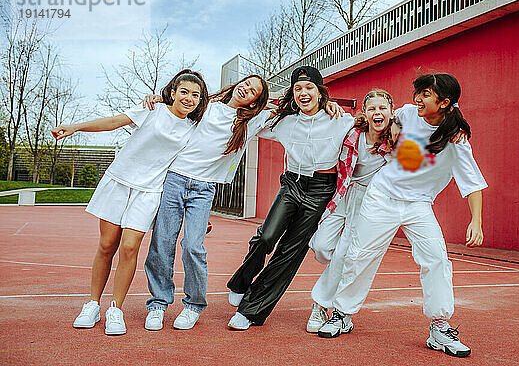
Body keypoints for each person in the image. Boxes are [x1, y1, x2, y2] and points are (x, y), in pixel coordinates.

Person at [317, 73, 486, 359]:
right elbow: (382, 124)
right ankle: (342, 313)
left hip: (418, 205)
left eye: (426, 95)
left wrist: (477, 221)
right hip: (382, 196)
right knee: (360, 254)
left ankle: (440, 327)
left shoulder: (456, 141)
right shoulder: (407, 114)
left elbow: (473, 184)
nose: (417, 99)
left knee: (436, 259)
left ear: (444, 103)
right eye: (418, 92)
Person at [52, 70, 208, 335]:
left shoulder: (194, 128)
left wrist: (202, 212)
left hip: (149, 191)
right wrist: (75, 127)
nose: (189, 98)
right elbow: (113, 122)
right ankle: (92, 304)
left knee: (130, 247)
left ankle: (116, 309)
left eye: (196, 95)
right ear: (172, 92)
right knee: (106, 244)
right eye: (184, 92)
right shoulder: (152, 110)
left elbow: (195, 167)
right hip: (119, 182)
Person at [226, 65, 355, 330]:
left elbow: (377, 123)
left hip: (321, 189)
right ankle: (241, 281)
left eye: (309, 88)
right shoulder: (284, 122)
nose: (303, 93)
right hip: (292, 184)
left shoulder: (341, 120)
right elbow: (250, 119)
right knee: (266, 237)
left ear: (321, 93)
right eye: (298, 89)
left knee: (290, 252)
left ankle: (251, 310)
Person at [143, 75, 271, 331]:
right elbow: (178, 107)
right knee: (162, 242)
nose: (247, 88)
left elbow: (289, 110)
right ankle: (158, 303)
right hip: (175, 180)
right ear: (237, 83)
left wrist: (327, 105)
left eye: (254, 91)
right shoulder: (207, 105)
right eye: (246, 82)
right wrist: (160, 99)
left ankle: (193, 305)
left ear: (255, 102)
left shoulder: (251, 121)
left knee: (193, 246)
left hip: (203, 189)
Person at [306, 89, 396, 333]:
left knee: (346, 252)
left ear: (391, 111)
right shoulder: (352, 133)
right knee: (322, 246)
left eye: (383, 108)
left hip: (370, 201)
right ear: (364, 113)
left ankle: (321, 305)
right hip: (344, 193)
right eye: (372, 108)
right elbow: (326, 118)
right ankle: (334, 279)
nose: (378, 113)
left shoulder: (396, 140)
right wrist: (329, 105)